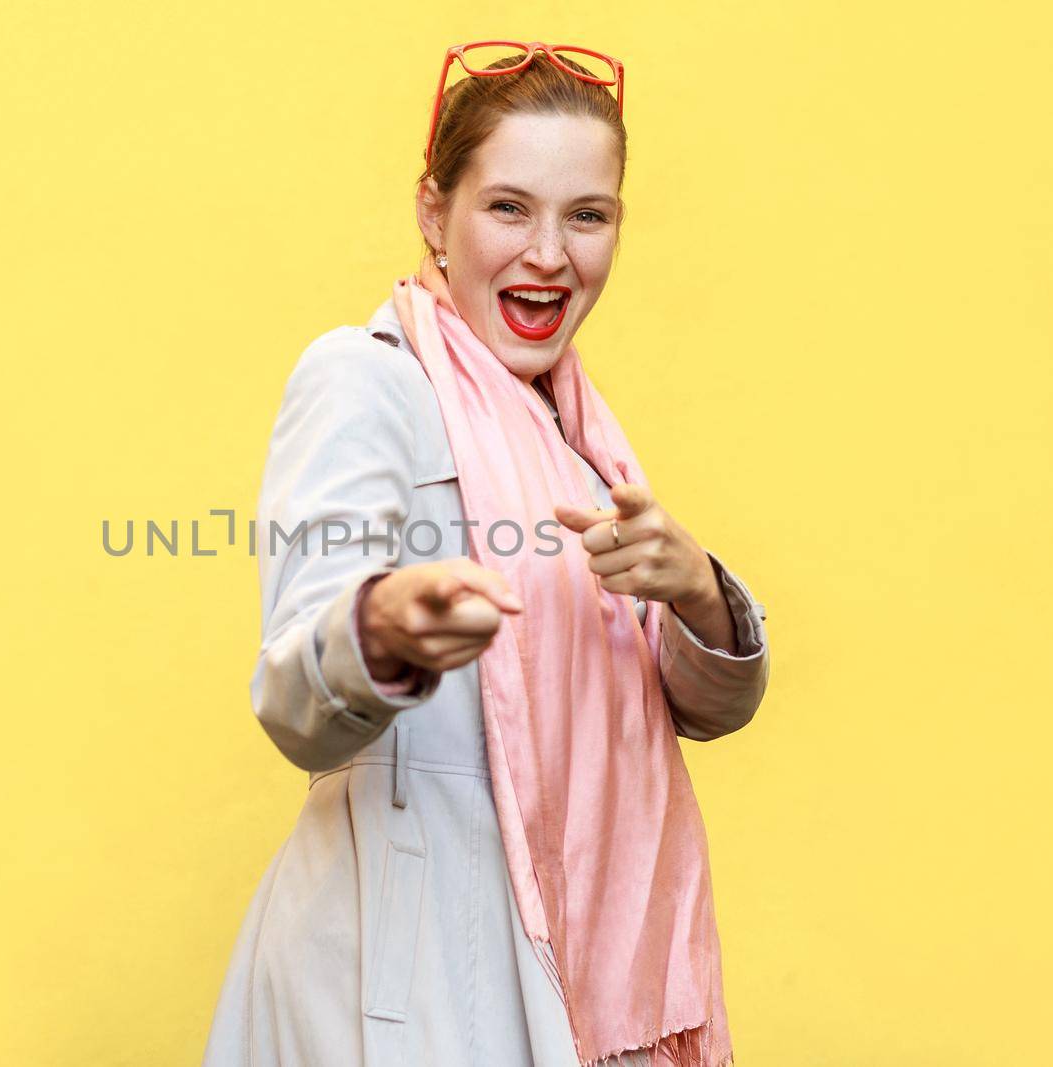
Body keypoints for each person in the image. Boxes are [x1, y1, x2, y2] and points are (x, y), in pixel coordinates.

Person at [202, 42, 769, 1067]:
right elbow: (293, 696)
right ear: (435, 214)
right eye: (508, 207)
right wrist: (379, 626)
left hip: (570, 974)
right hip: (411, 975)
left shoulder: (581, 437)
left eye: (585, 215)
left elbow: (704, 709)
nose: (549, 254)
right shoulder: (368, 382)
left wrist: (698, 592)